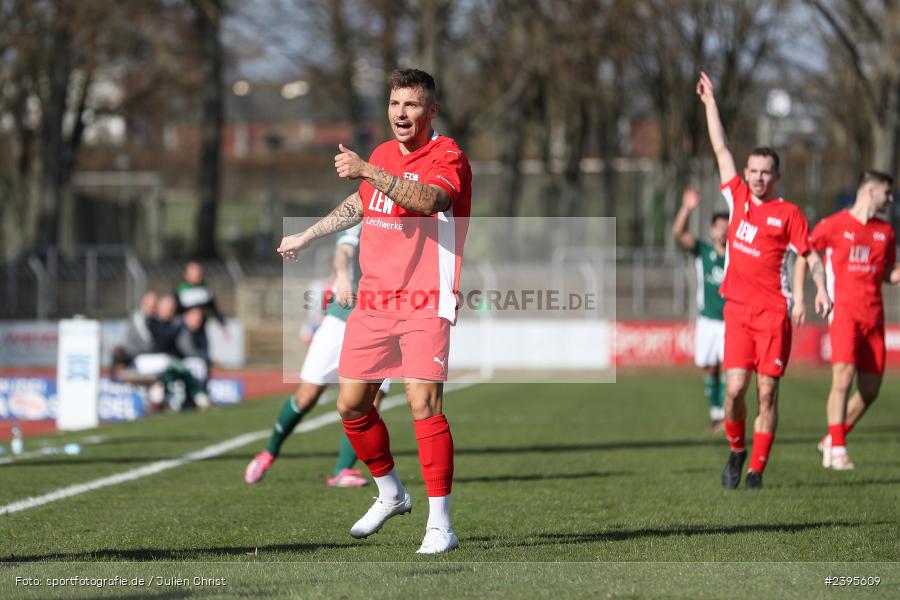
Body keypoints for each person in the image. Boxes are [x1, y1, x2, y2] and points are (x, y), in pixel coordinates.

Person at [277, 68, 472, 553]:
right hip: (373, 302)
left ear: (431, 111)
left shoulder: (447, 156)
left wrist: (368, 169)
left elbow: (429, 200)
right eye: (394, 104)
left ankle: (440, 524)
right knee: (351, 406)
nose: (400, 114)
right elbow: (359, 204)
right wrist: (306, 234)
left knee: (424, 405)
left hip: (426, 300)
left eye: (410, 105)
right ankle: (391, 493)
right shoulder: (383, 155)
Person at [696, 71, 832, 490]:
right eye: (752, 169)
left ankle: (756, 468)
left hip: (773, 314)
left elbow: (810, 255)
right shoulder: (735, 197)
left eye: (764, 172)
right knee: (735, 391)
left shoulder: (789, 214)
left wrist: (820, 290)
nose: (756, 176)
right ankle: (737, 450)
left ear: (776, 177)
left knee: (768, 394)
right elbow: (720, 147)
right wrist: (710, 104)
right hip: (737, 311)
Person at [244, 224, 391, 488]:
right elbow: (343, 251)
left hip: (383, 322)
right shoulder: (366, 207)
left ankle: (342, 471)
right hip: (340, 320)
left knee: (370, 401)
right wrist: (343, 276)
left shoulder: (413, 214)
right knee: (307, 395)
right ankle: (268, 453)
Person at [796, 170, 898, 470]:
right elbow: (805, 255)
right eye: (887, 193)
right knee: (842, 379)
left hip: (874, 318)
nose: (891, 199)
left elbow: (888, 273)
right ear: (870, 191)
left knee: (870, 390)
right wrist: (804, 296)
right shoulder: (833, 225)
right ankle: (838, 449)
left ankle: (831, 438)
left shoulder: (886, 232)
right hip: (844, 314)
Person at [672, 185, 728, 431]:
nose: (723, 229)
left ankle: (727, 415)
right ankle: (716, 412)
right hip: (707, 320)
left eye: (727, 225)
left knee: (730, 369)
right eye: (718, 225)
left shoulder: (737, 254)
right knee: (710, 367)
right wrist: (687, 207)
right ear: (711, 229)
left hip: (731, 321)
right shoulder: (703, 251)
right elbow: (678, 232)